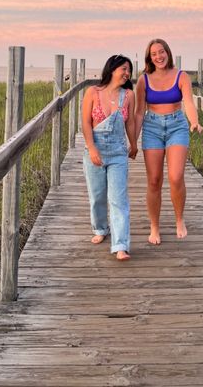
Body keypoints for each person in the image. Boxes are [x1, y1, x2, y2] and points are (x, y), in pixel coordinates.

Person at [135, 39, 203, 245]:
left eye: (162, 51)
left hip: (177, 126)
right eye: (154, 53)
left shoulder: (181, 76)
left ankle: (179, 219)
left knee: (176, 176)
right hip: (152, 128)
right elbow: (139, 113)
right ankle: (154, 226)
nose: (159, 56)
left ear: (168, 52)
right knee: (154, 180)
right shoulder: (143, 80)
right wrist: (132, 141)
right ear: (150, 57)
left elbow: (189, 103)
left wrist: (194, 122)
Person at [82, 54, 137, 261]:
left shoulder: (128, 95)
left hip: (118, 152)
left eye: (129, 70)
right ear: (112, 69)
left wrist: (133, 144)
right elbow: (86, 123)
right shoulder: (93, 92)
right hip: (95, 149)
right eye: (123, 68)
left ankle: (121, 244)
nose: (127, 73)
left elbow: (130, 123)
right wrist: (92, 148)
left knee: (118, 199)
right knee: (97, 196)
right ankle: (100, 229)